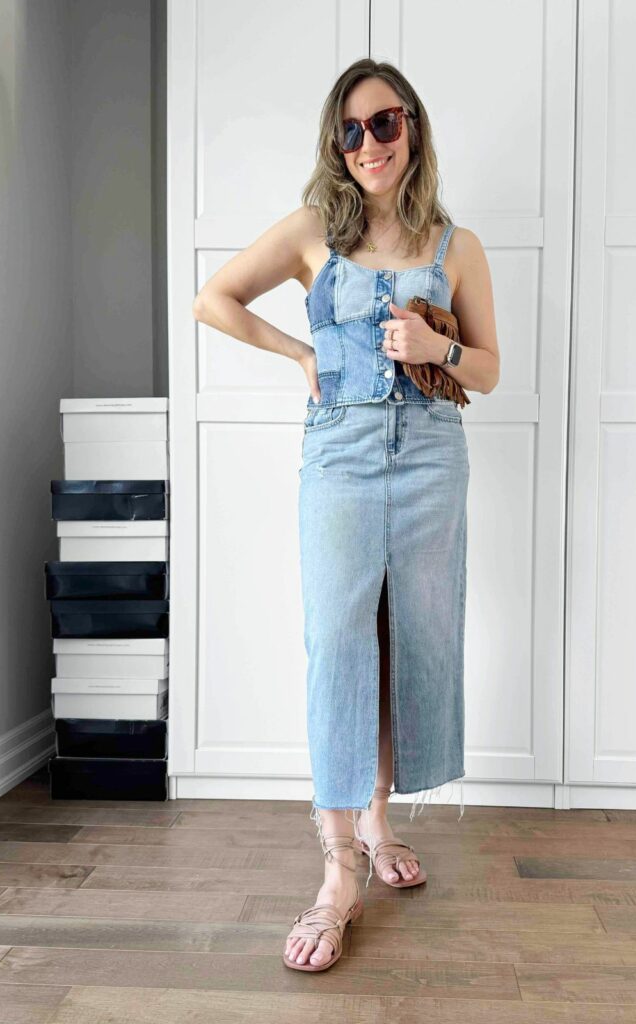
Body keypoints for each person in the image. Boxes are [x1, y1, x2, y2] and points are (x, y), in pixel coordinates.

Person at [193, 58, 500, 972]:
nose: (370, 143)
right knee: (337, 642)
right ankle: (336, 869)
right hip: (339, 454)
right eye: (353, 131)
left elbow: (486, 370)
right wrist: (298, 354)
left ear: (414, 130)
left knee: (409, 639)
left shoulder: (457, 247)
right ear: (338, 144)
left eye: (386, 124)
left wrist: (437, 341)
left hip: (433, 458)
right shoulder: (310, 235)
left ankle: (376, 827)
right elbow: (214, 301)